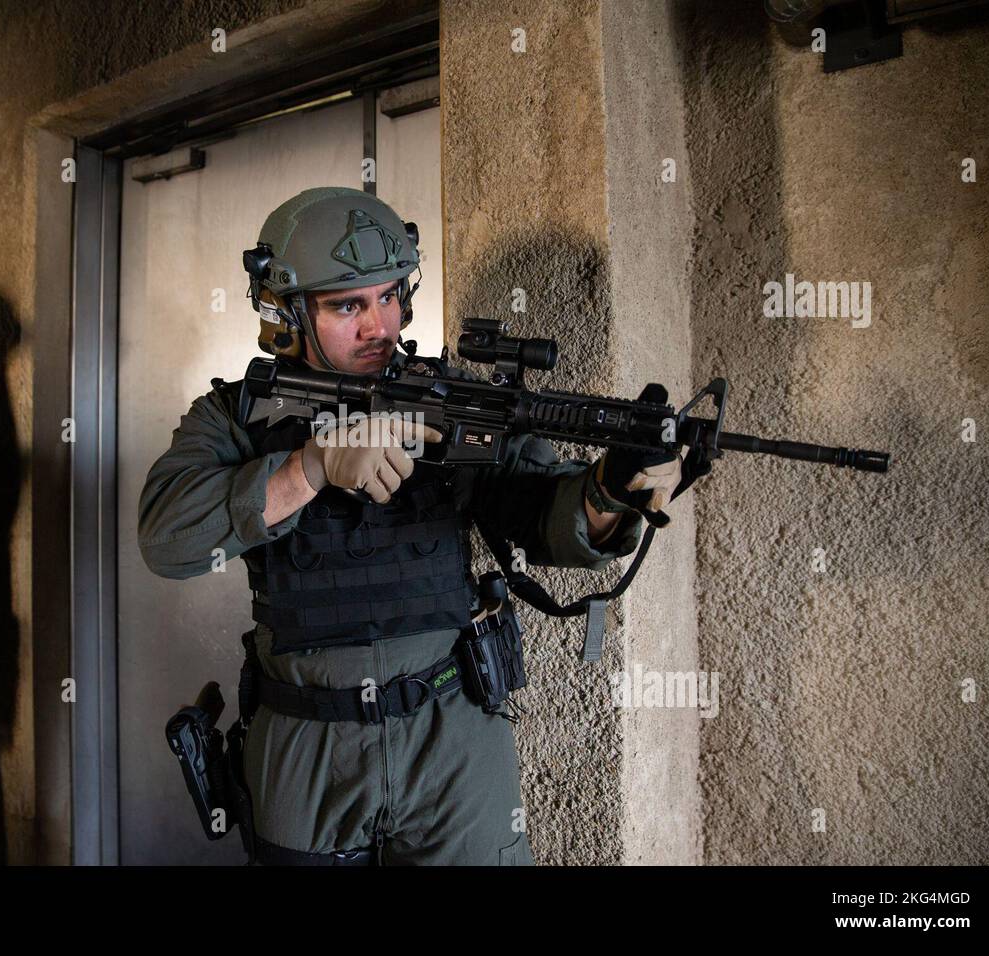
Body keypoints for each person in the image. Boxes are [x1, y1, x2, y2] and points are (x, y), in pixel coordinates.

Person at [139, 187, 680, 865]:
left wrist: (609, 489)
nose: (380, 326)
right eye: (348, 305)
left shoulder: (446, 401)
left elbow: (543, 510)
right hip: (306, 746)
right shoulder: (237, 416)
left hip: (451, 736)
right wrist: (308, 469)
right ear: (288, 312)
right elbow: (167, 539)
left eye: (391, 296)